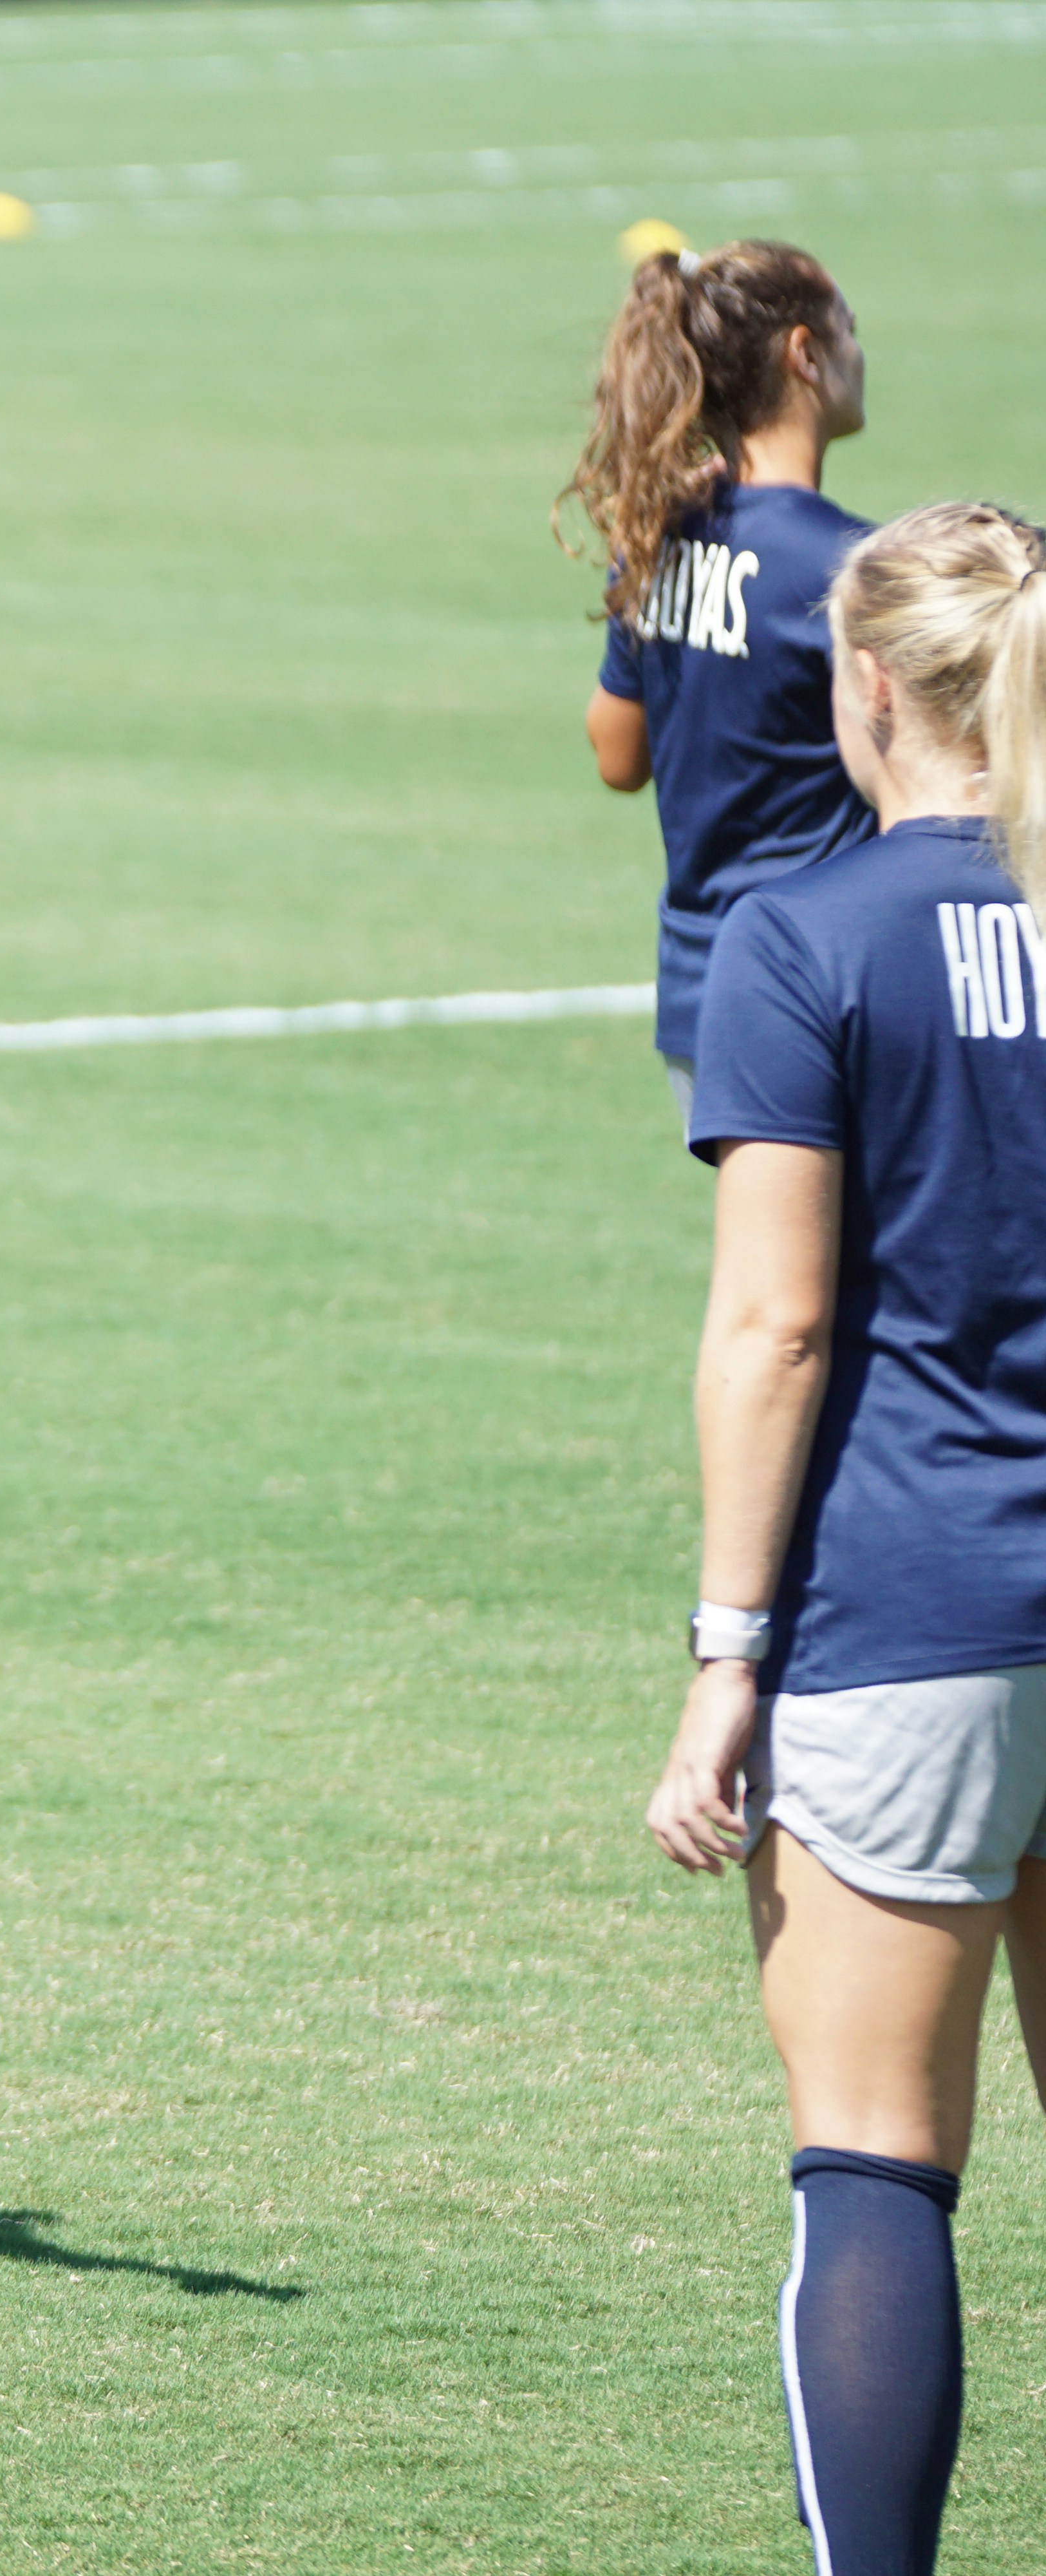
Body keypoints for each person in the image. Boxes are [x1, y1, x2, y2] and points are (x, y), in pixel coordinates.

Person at [644, 501, 1046, 2576]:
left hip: (913, 1612)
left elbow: (776, 1328)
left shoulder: (805, 938)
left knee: (877, 2155)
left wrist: (726, 1657)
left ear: (868, 685)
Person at [561, 237, 876, 1126]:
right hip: (825, 995)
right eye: (851, 329)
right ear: (804, 353)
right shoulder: (848, 569)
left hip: (700, 1000)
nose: (861, 353)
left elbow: (616, 755)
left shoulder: (657, 537)